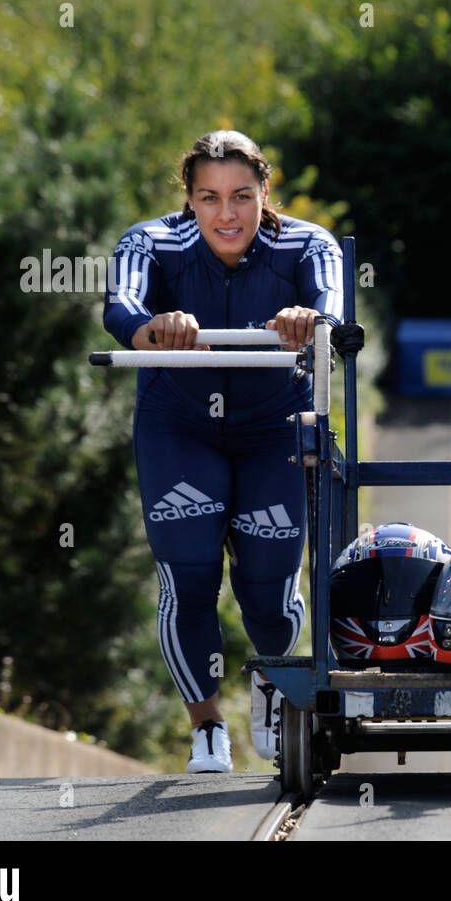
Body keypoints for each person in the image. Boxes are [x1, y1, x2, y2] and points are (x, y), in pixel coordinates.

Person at [103, 130, 342, 772]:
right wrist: (151, 327)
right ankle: (207, 726)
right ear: (189, 200)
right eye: (208, 198)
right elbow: (119, 304)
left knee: (267, 590)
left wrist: (309, 320)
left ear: (266, 193)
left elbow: (333, 309)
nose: (227, 214)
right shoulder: (152, 241)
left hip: (274, 429)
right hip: (179, 426)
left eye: (242, 196)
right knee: (190, 578)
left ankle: (272, 682)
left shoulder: (306, 243)